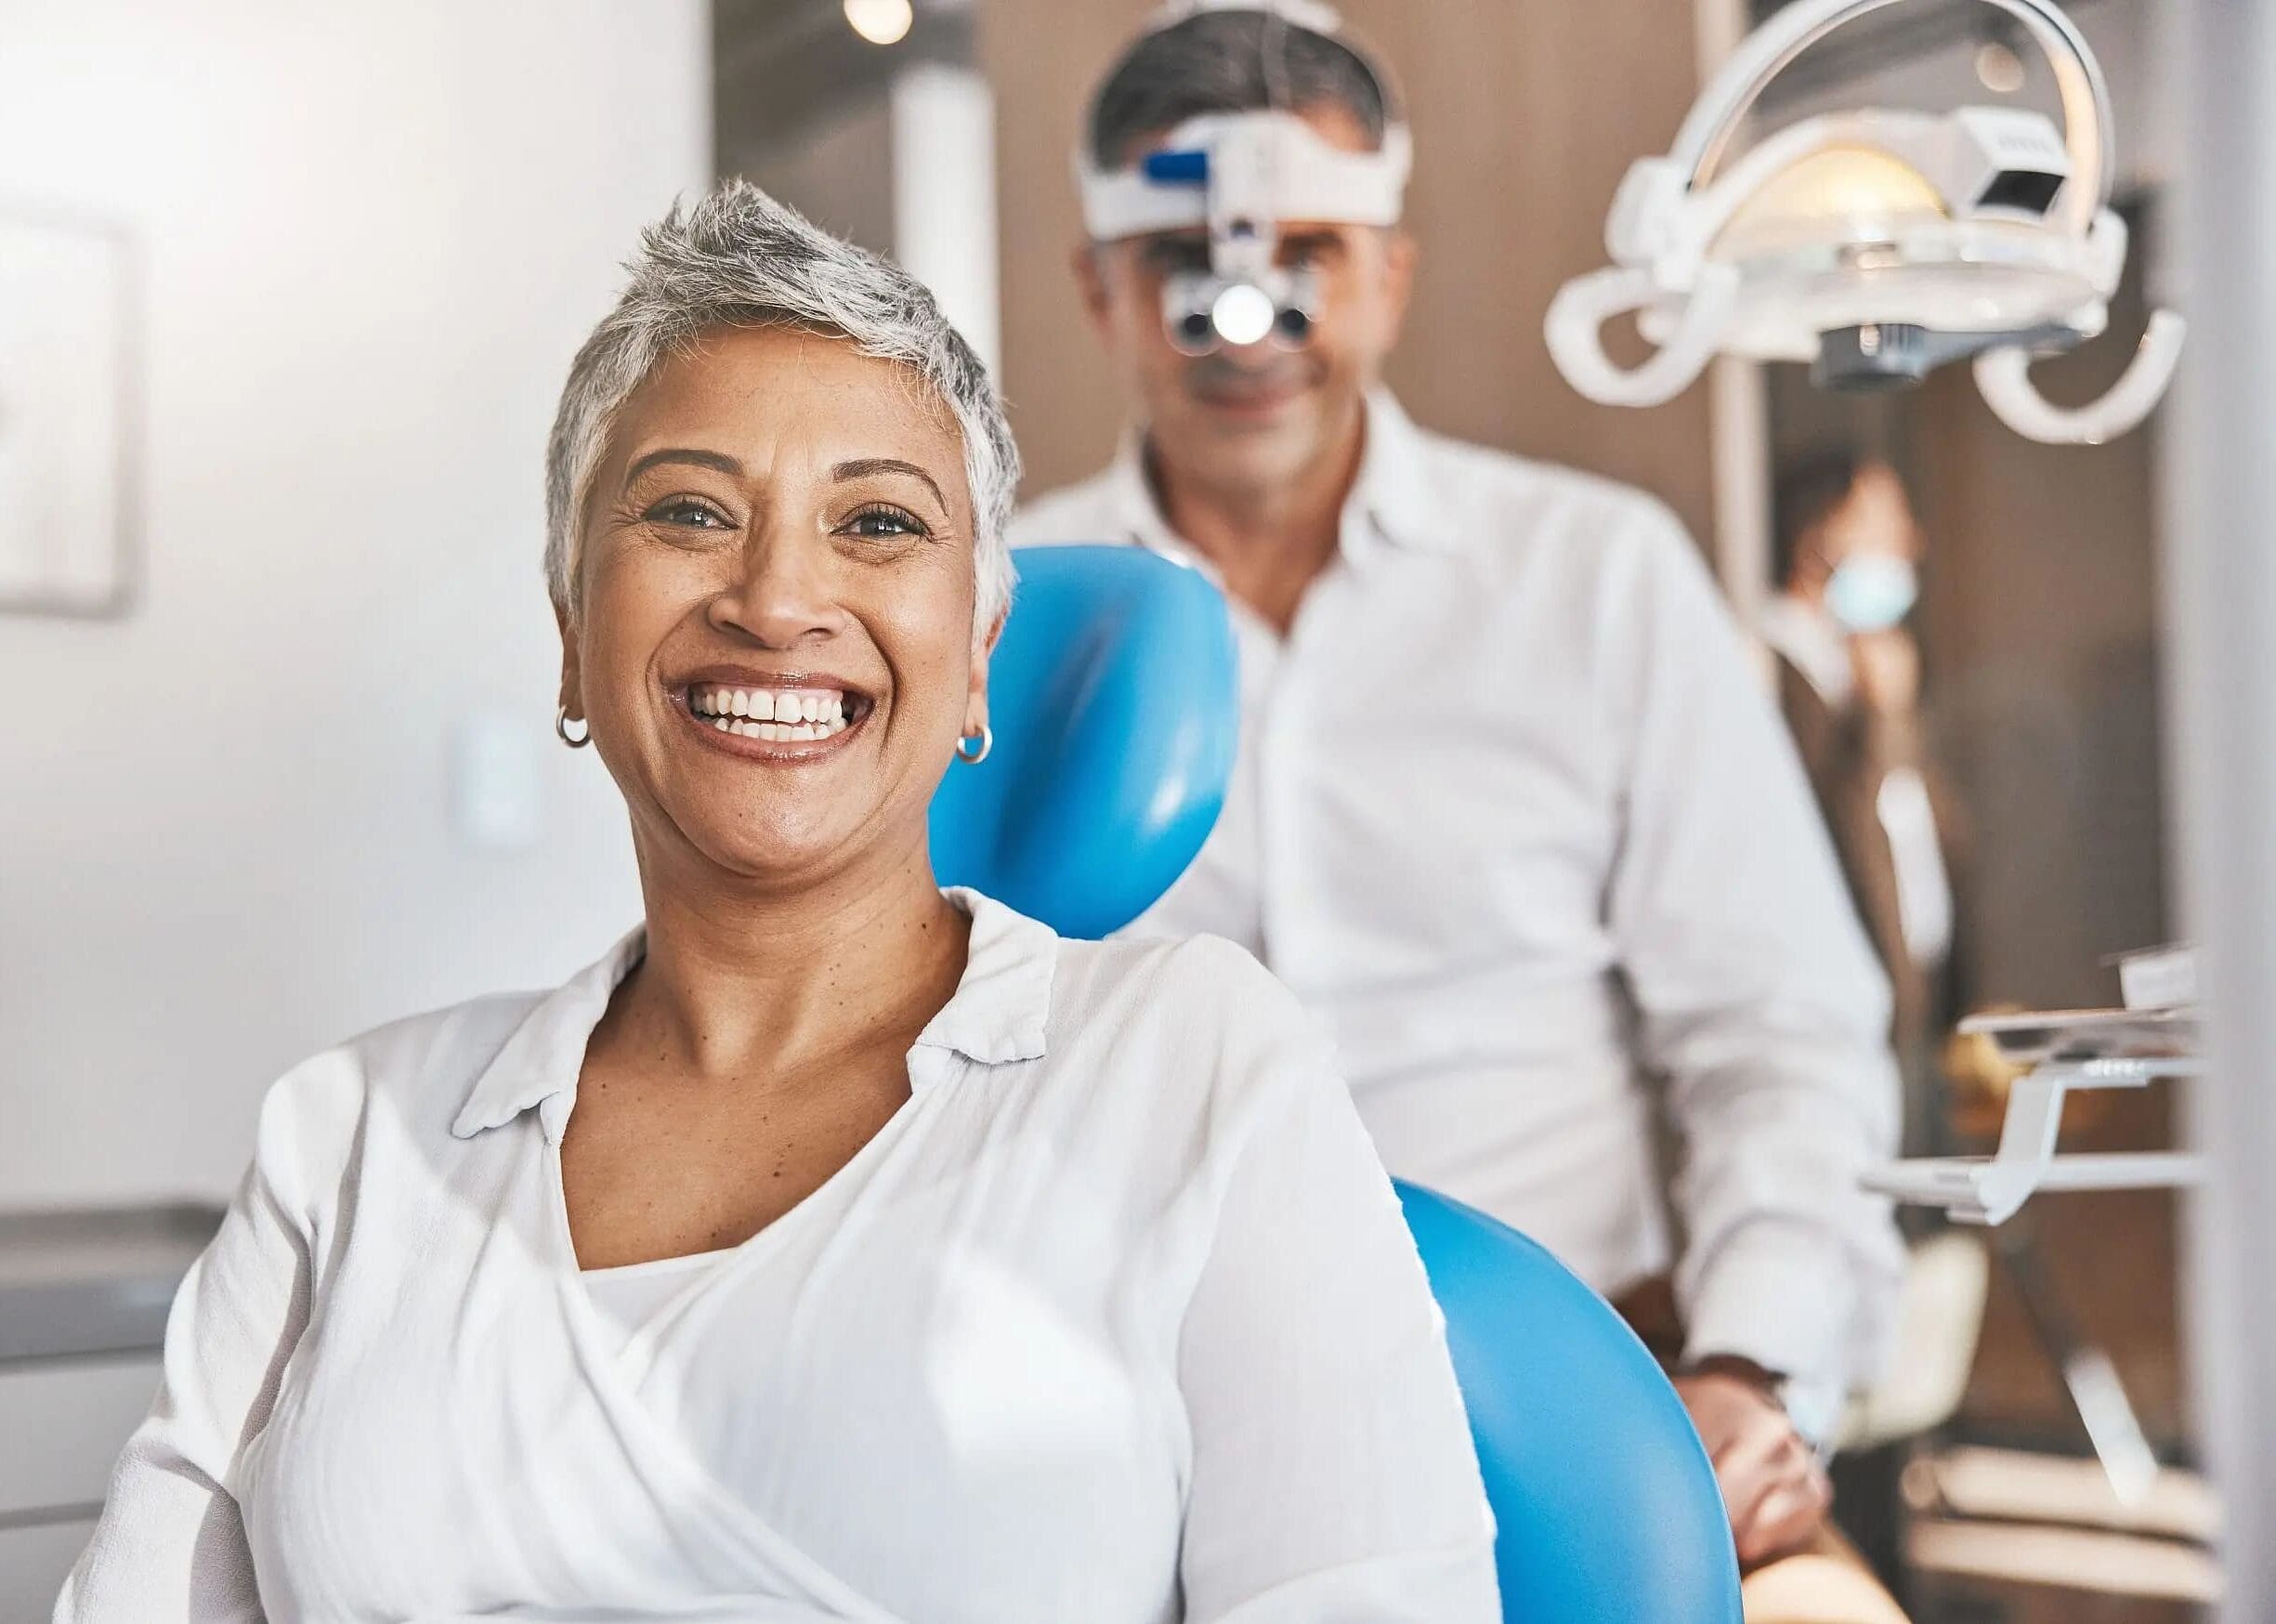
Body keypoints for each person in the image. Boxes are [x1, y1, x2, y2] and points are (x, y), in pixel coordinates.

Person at [56, 181, 1498, 1623]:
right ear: (571, 633)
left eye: (876, 522)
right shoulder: (349, 1135)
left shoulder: (1191, 1062)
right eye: (689, 509)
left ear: (980, 654)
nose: (774, 597)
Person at [1012, 2, 1904, 1570]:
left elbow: (1783, 1028)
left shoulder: (1597, 577)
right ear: (1097, 286)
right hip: (1148, 1438)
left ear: (1391, 277)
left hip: (1606, 1397)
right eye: (1185, 268)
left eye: (1308, 256)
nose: (1249, 320)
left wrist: (1756, 1361)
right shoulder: (1000, 625)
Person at [1760, 452, 1960, 1113]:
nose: (1910, 544)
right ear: (1818, 535)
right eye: (1882, 524)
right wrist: (1879, 715)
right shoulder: (1770, 668)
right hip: (1835, 1002)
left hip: (1911, 991)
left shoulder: (1867, 659)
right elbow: (1833, 822)